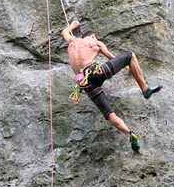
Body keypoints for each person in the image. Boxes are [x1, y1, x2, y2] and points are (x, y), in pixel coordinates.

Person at [61, 20, 162, 151]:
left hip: (84, 84)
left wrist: (73, 25)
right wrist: (128, 66)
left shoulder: (73, 42)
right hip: (95, 72)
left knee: (109, 113)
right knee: (130, 55)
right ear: (93, 35)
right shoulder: (95, 42)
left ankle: (129, 134)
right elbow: (111, 57)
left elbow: (64, 31)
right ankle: (145, 89)